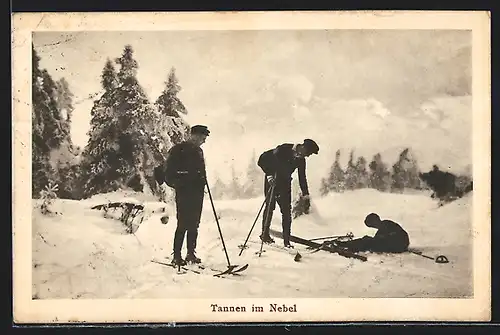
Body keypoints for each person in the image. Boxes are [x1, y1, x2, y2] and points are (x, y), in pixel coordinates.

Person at [156, 125, 210, 266]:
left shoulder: (199, 151)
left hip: (197, 193)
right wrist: (183, 182)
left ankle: (191, 254)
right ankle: (177, 256)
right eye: (202, 138)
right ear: (195, 135)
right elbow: (170, 173)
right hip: (185, 192)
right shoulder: (178, 150)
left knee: (194, 224)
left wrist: (202, 179)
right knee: (183, 224)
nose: (203, 141)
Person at [257, 139, 319, 248]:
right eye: (308, 153)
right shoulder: (283, 149)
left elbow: (302, 178)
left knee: (286, 211)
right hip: (272, 181)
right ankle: (265, 234)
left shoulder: (301, 160)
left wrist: (306, 194)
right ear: (303, 147)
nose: (308, 156)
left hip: (285, 184)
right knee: (270, 207)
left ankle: (287, 241)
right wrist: (269, 174)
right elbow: (262, 159)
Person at [335, 213, 410, 253]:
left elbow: (376, 240)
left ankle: (347, 246)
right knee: (368, 240)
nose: (374, 227)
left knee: (367, 241)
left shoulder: (385, 225)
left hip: (398, 246)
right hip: (400, 245)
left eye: (372, 225)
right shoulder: (386, 224)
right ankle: (347, 245)